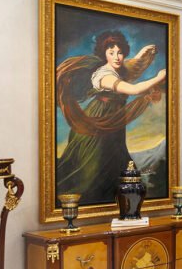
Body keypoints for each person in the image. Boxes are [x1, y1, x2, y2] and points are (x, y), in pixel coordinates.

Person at [56, 30, 166, 203]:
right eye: (111, 52)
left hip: (112, 122)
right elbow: (134, 89)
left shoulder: (117, 69)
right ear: (104, 53)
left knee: (115, 161)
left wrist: (141, 54)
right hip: (98, 123)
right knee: (95, 168)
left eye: (120, 52)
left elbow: (130, 68)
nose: (116, 57)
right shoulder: (104, 75)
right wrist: (159, 77)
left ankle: (118, 203)